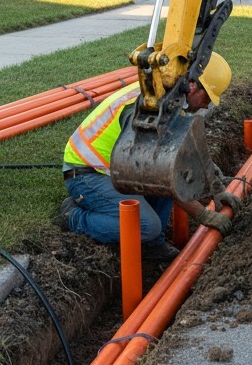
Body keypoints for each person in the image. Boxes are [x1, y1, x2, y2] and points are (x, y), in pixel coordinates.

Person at [55, 53, 235, 260]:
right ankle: (73, 216)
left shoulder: (169, 100)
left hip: (117, 170)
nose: (207, 106)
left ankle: (152, 245)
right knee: (147, 226)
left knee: (167, 184)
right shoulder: (150, 110)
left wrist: (216, 188)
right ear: (193, 85)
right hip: (88, 174)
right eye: (207, 98)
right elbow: (161, 174)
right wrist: (204, 215)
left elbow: (180, 157)